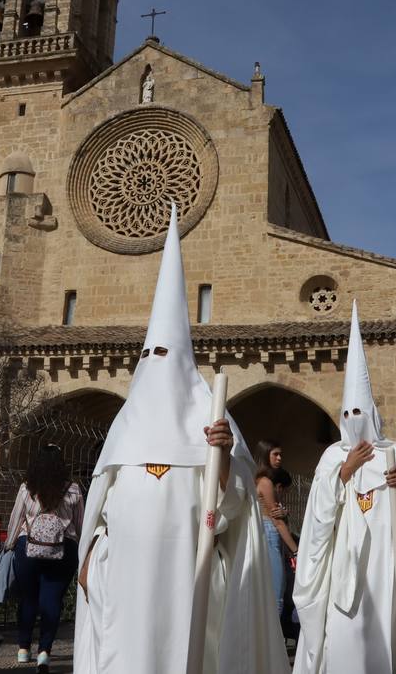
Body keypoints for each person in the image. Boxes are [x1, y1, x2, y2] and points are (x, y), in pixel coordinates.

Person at [73, 206, 288, 674]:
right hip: (125, 591)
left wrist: (225, 458)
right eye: (150, 354)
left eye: (166, 352)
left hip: (194, 589)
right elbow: (97, 512)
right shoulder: (124, 427)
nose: (157, 362)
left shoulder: (214, 422)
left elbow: (233, 515)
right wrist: (90, 561)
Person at [291, 303, 396, 674]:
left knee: (389, 637)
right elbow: (318, 517)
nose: (353, 422)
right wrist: (344, 473)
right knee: (346, 638)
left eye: (360, 414)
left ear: (374, 415)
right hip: (346, 567)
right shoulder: (333, 457)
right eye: (347, 415)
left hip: (387, 563)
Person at [5, 444, 84, 671]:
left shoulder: (26, 489)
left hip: (27, 548)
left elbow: (16, 519)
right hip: (63, 550)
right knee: (52, 599)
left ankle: (22, 649)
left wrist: (10, 544)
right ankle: (44, 653)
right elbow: (80, 525)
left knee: (29, 598)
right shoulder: (73, 490)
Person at [254, 439, 299, 618]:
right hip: (270, 533)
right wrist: (295, 551)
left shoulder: (259, 479)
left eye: (281, 454)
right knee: (276, 595)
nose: (280, 458)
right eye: (275, 454)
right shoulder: (265, 481)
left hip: (267, 533)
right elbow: (277, 521)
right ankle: (274, 643)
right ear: (265, 455)